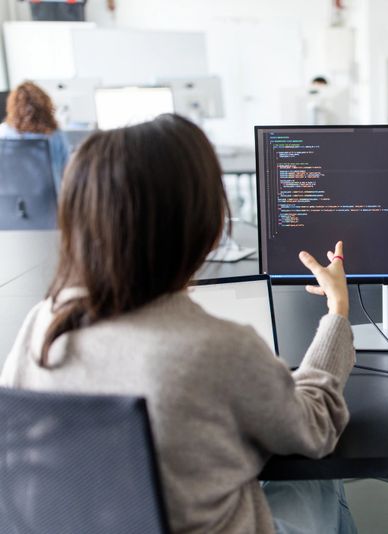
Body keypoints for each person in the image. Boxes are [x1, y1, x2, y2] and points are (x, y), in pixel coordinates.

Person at [1, 114, 357, 534]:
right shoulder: (219, 347)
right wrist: (337, 312)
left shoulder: (42, 324)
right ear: (206, 229)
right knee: (319, 482)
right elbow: (315, 427)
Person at [0, 81, 71, 193]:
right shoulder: (55, 135)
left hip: (8, 206)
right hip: (49, 205)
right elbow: (69, 173)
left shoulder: (3, 133)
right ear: (45, 107)